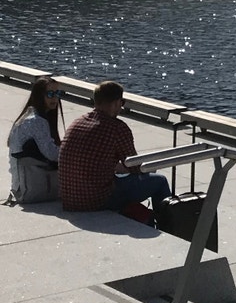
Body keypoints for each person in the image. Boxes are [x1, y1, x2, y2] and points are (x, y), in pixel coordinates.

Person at [58, 80, 170, 214]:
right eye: (121, 103)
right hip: (96, 200)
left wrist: (114, 166)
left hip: (70, 198)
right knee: (159, 181)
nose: (121, 107)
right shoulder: (117, 128)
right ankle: (169, 226)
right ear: (116, 102)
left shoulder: (78, 122)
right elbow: (136, 166)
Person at [8, 77, 64, 202]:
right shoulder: (36, 121)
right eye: (50, 94)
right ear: (39, 96)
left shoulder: (30, 115)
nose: (55, 98)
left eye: (58, 93)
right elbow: (53, 154)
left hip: (19, 185)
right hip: (27, 188)